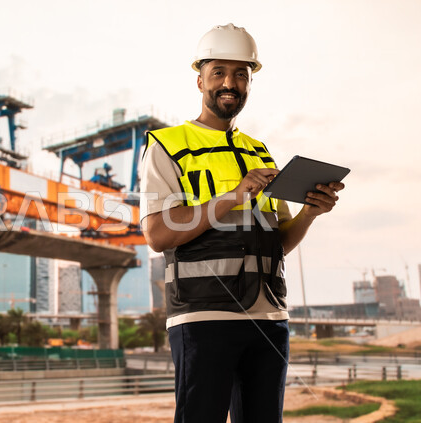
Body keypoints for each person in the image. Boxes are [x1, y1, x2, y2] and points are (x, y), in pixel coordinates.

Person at [139, 23, 345, 423]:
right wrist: (234, 195)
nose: (229, 83)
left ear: (250, 82)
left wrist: (310, 213)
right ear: (200, 79)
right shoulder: (167, 145)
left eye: (241, 74)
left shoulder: (261, 153)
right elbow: (157, 234)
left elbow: (277, 244)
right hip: (204, 316)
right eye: (219, 72)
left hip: (269, 317)